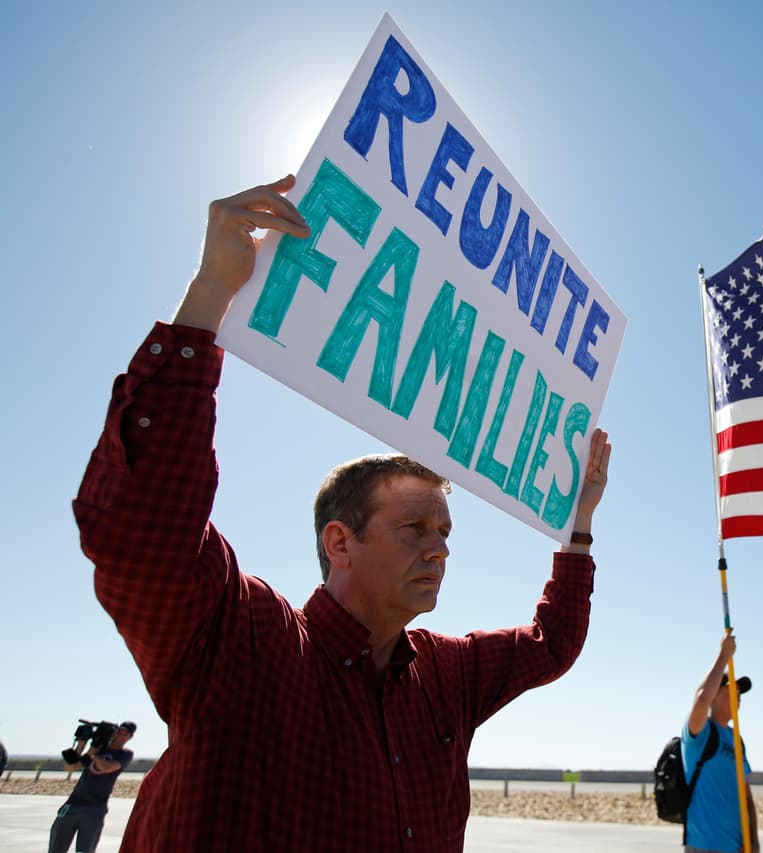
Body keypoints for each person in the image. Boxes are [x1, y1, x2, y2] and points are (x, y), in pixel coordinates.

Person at [72, 177, 612, 852]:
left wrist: (579, 525)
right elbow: (143, 526)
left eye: (445, 531)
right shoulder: (241, 643)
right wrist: (210, 294)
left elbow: (552, 642)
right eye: (415, 528)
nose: (440, 549)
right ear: (341, 541)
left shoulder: (447, 676)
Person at [682, 633, 760, 853]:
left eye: (739, 695)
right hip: (704, 846)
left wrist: (753, 841)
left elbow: (746, 794)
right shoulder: (700, 733)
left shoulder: (737, 739)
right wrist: (724, 655)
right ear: (714, 697)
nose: (737, 698)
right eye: (729, 693)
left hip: (736, 846)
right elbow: (700, 699)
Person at [48, 722, 136, 853]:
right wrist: (82, 744)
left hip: (95, 808)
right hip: (73, 804)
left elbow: (106, 768)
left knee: (85, 850)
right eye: (118, 732)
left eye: (124, 734)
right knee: (56, 848)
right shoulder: (99, 748)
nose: (120, 736)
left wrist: (94, 753)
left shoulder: (125, 754)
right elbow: (70, 767)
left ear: (129, 737)